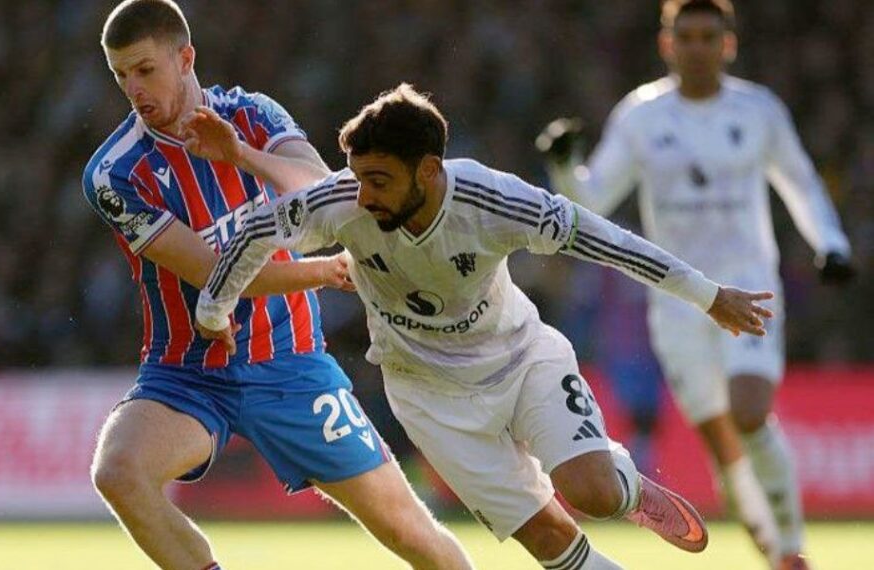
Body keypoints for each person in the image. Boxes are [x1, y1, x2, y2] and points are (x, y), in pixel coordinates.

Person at [197, 83, 778, 569]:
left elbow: (606, 240)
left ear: (428, 170)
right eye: (357, 177)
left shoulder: (492, 200)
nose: (363, 194)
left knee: (594, 494)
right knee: (551, 541)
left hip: (522, 360)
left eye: (379, 180)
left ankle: (627, 483)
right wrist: (213, 310)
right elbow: (255, 233)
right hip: (427, 394)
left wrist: (708, 295)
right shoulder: (344, 199)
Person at [82, 2, 472, 569]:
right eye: (121, 75)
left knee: (413, 533)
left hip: (290, 362)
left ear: (185, 57)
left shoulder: (254, 114)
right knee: (118, 471)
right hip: (188, 372)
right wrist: (328, 271)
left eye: (145, 70)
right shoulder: (114, 173)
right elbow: (216, 275)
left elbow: (324, 190)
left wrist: (238, 152)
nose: (133, 89)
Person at [536, 1, 854, 567]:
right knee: (720, 437)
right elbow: (592, 201)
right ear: (667, 44)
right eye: (687, 36)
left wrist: (831, 243)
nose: (698, 47)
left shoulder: (758, 111)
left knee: (750, 412)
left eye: (710, 37)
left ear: (728, 45)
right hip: (678, 300)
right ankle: (766, 537)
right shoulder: (641, 116)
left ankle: (792, 549)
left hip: (751, 286)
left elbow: (800, 182)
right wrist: (564, 165)